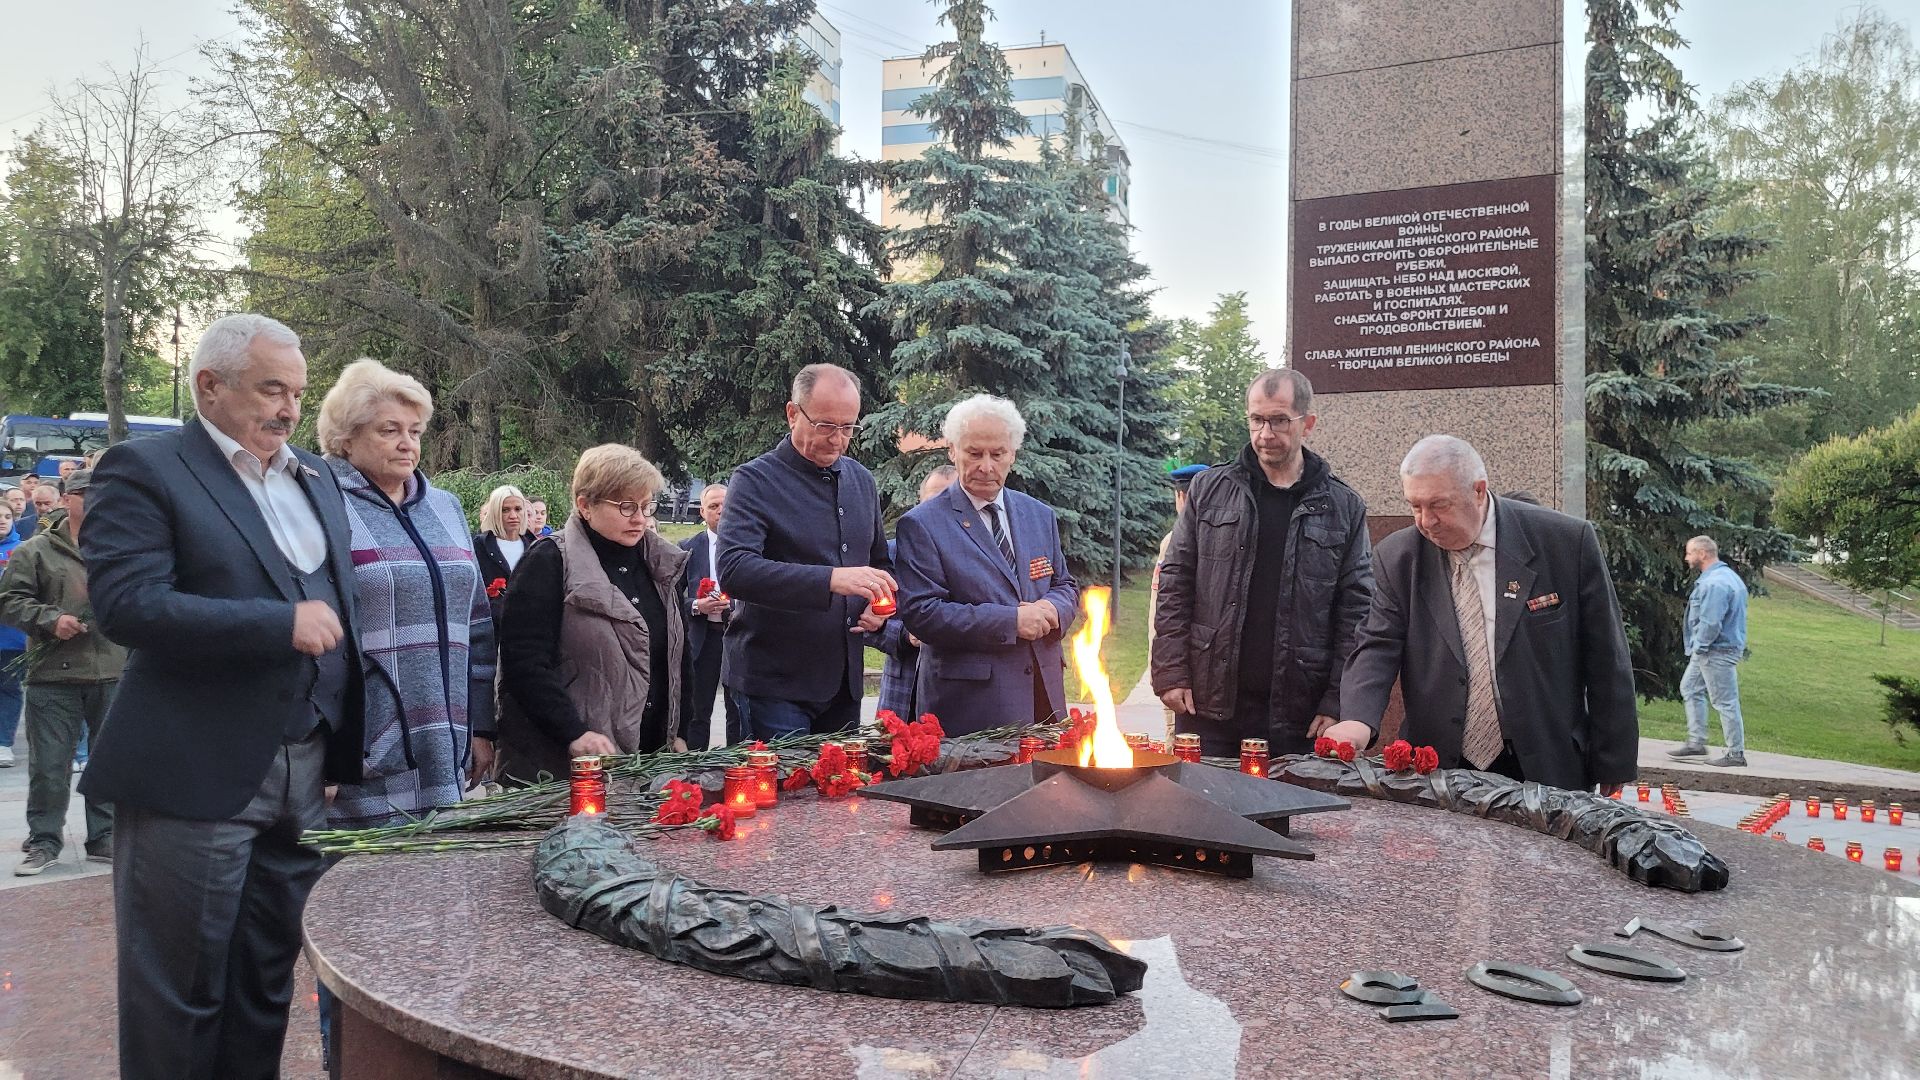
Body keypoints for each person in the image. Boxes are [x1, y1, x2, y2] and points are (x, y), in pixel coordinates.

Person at [79, 312, 367, 1078]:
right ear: (209, 385)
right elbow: (127, 605)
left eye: (298, 394)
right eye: (271, 389)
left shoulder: (314, 477)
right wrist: (277, 626)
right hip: (192, 771)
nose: (288, 409)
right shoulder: (146, 469)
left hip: (304, 766)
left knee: (265, 981)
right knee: (179, 989)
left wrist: (337, 730)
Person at [1333, 436, 1638, 791]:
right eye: (1414, 506)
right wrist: (1356, 720)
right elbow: (1376, 645)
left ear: (1479, 491)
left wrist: (1613, 763)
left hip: (1546, 762)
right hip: (1437, 766)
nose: (1425, 521)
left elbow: (1606, 658)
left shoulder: (1565, 543)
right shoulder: (1398, 557)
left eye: (1438, 505)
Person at [1151, 370, 1374, 757]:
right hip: (1208, 703)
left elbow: (1356, 610)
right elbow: (1176, 581)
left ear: (1308, 424)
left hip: (1299, 713)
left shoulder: (1344, 507)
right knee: (1201, 812)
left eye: (1279, 420)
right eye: (1257, 420)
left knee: (1291, 817)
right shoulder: (1210, 489)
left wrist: (1338, 698)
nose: (1265, 434)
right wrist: (1170, 671)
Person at [319, 358, 499, 822]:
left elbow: (477, 624)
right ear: (346, 438)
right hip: (367, 751)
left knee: (439, 883)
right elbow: (312, 640)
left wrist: (481, 726)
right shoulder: (322, 504)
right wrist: (326, 750)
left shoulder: (444, 506)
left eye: (415, 432)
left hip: (449, 741)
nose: (407, 444)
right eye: (389, 430)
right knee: (365, 887)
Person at [717, 364, 893, 739]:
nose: (838, 439)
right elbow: (735, 568)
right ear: (793, 413)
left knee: (841, 797)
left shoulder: (861, 480)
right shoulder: (754, 480)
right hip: (773, 684)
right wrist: (831, 579)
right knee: (778, 797)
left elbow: (880, 564)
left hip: (843, 685)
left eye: (849, 428)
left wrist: (880, 608)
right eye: (826, 425)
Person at [498, 445, 695, 778]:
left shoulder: (662, 564)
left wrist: (681, 732)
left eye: (647, 506)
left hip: (650, 762)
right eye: (626, 506)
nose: (640, 518)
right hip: (567, 766)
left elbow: (678, 656)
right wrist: (573, 732)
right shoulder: (548, 561)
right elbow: (525, 662)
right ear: (585, 505)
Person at [897, 396, 1078, 735]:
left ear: (1013, 453)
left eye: (998, 454)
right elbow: (922, 613)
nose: (987, 465)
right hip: (969, 710)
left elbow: (1065, 585)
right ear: (952, 450)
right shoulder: (922, 524)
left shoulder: (1039, 515)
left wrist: (1052, 609)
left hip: (1043, 700)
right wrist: (1011, 621)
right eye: (974, 453)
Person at [1, 471, 123, 874]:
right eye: (89, 496)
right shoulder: (36, 551)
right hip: (52, 676)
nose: (99, 503)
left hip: (113, 670)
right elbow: (10, 601)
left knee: (108, 765)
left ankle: (104, 837)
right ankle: (44, 841)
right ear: (67, 500)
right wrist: (50, 619)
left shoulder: (124, 550)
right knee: (50, 767)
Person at [874, 465, 956, 721]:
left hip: (958, 696)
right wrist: (905, 636)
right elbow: (858, 621)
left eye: (949, 503)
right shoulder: (890, 556)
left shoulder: (981, 559)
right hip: (901, 699)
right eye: (931, 503)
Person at [1670, 535, 1749, 768]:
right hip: (1714, 648)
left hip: (1715, 650)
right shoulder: (1728, 578)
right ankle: (1696, 743)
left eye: (1689, 553)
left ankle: (1735, 753)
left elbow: (1711, 622)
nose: (1686, 558)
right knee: (1690, 687)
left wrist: (1700, 647)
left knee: (1725, 701)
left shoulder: (1714, 583)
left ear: (1702, 554)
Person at [680, 483, 744, 747]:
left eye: (725, 505)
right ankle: (696, 769)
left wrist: (737, 604)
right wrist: (697, 605)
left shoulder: (749, 545)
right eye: (713, 507)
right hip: (703, 638)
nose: (720, 511)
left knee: (737, 709)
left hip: (738, 635)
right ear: (703, 512)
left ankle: (735, 768)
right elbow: (674, 598)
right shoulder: (688, 548)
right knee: (698, 710)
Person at [474, 484, 536, 622]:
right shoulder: (480, 546)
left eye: (518, 509)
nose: (513, 515)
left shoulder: (535, 545)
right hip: (492, 628)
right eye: (505, 510)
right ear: (495, 512)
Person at [0, 503, 22, 768]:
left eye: (7, 516)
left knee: (8, 688)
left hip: (11, 636)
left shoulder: (23, 549)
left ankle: (4, 742)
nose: (2, 521)